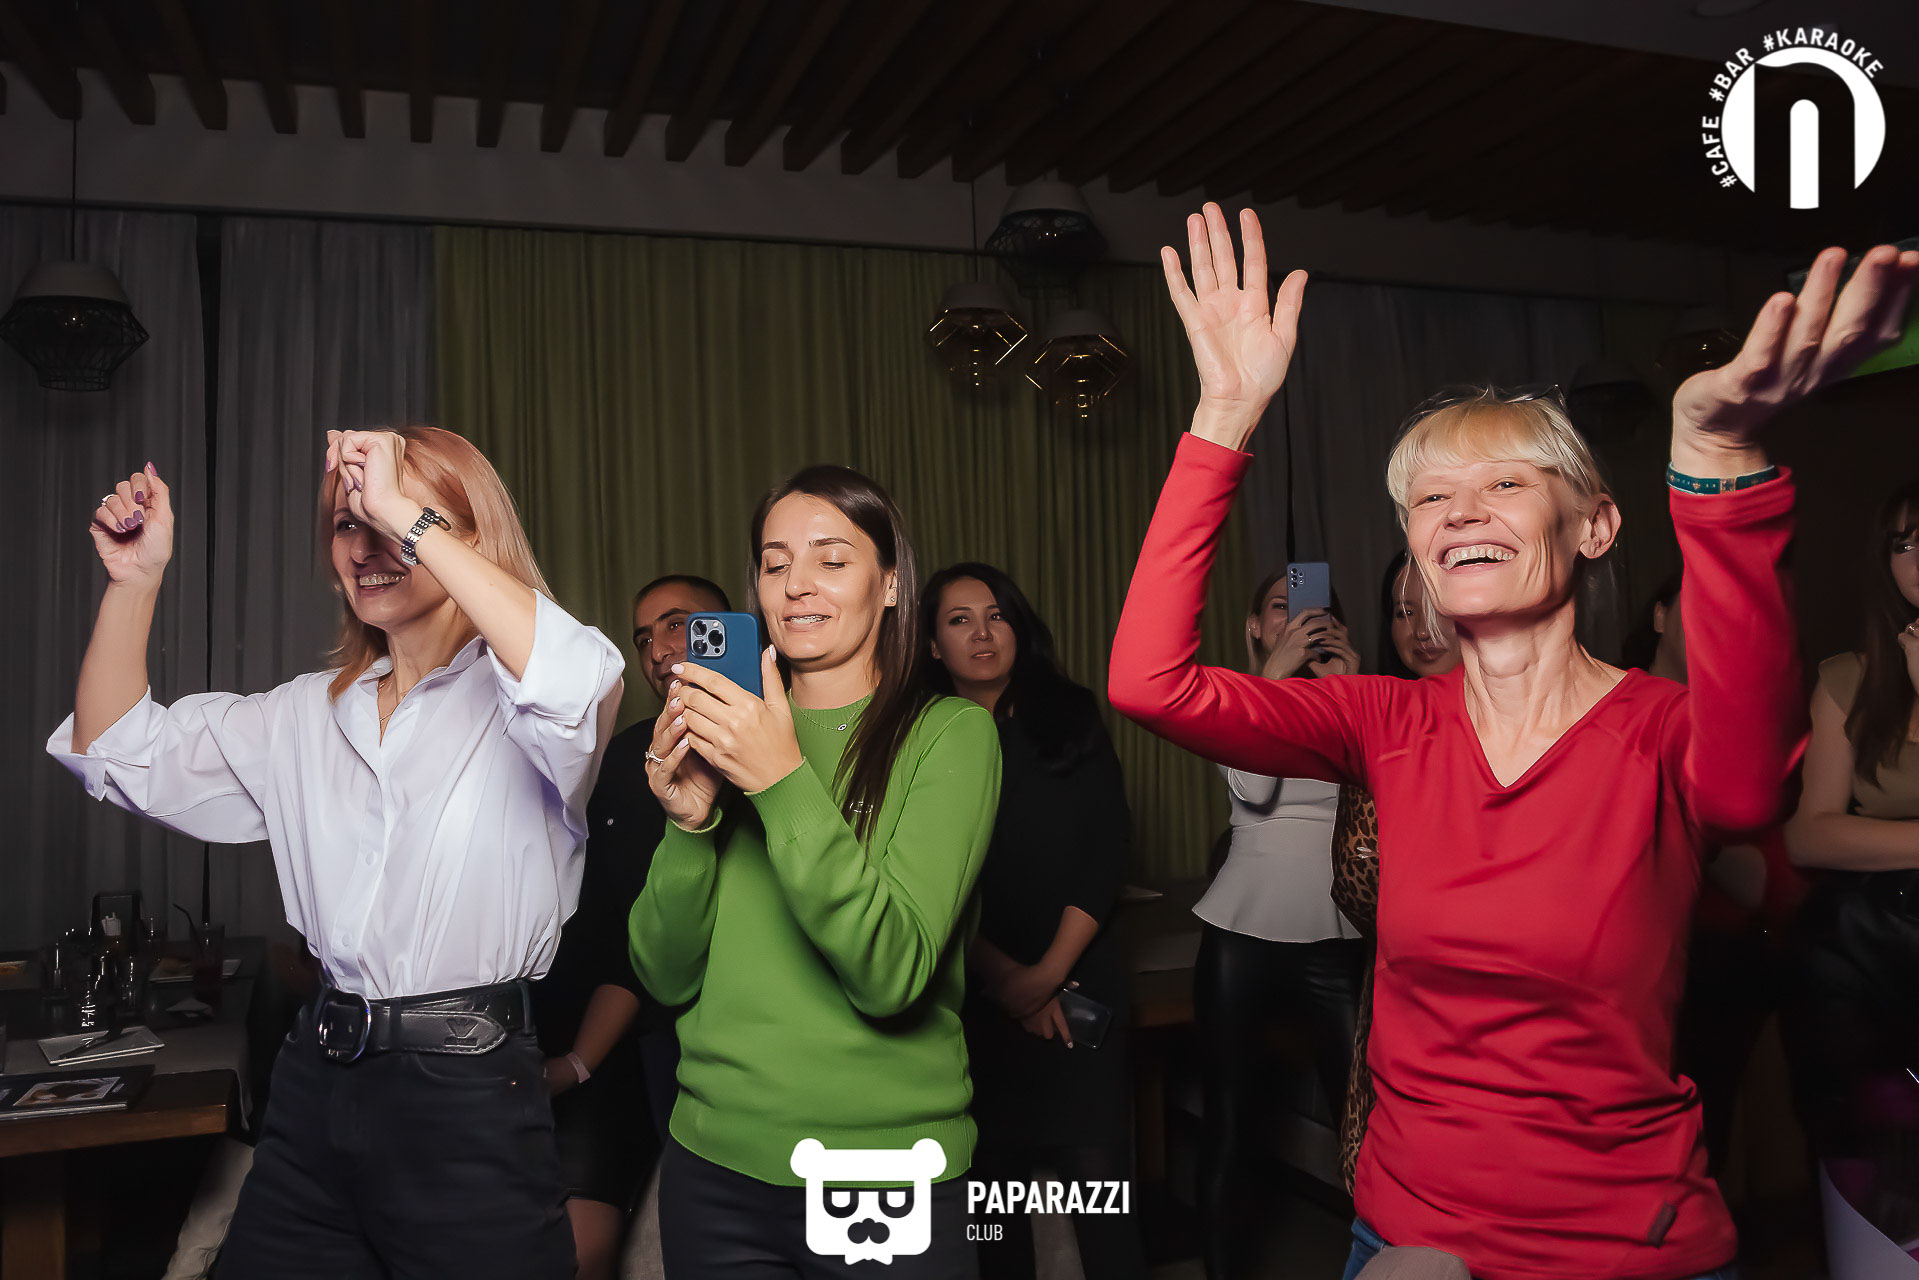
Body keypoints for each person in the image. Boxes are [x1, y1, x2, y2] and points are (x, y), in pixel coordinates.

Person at [1109, 202, 1915, 1280]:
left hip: (1626, 1249)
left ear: (1594, 526)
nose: (1458, 510)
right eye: (1429, 497)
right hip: (1407, 1240)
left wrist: (1718, 464)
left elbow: (1742, 794)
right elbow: (1149, 683)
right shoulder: (1384, 719)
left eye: (1503, 483)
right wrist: (1223, 415)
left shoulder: (1656, 729)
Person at [49, 427, 626, 1278]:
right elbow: (114, 750)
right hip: (317, 1079)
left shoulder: (531, 708)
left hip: (465, 1092)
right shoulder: (303, 713)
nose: (366, 545)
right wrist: (135, 583)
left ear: (470, 538)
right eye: (347, 524)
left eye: (394, 520)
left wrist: (397, 509)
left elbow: (582, 678)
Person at [629, 465, 1001, 1279]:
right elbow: (662, 975)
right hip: (712, 1161)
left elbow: (891, 976)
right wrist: (688, 828)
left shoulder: (951, 735)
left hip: (883, 1171)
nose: (796, 583)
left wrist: (779, 781)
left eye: (831, 559)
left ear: (890, 584)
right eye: (774, 563)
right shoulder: (722, 732)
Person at [919, 562, 1146, 1280]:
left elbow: (1105, 847)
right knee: (993, 1220)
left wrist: (1045, 976)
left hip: (1079, 985)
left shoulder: (1070, 714)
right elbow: (924, 881)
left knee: (1104, 1207)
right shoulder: (918, 737)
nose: (982, 634)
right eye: (959, 620)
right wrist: (1007, 981)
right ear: (931, 645)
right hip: (974, 999)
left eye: (997, 615)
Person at [533, 572, 732, 1280]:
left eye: (677, 625)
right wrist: (581, 1059)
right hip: (658, 1035)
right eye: (645, 637)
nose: (657, 649)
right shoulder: (624, 759)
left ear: (733, 631)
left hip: (765, 1028)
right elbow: (611, 921)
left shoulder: (782, 740)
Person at [1193, 567, 1364, 1279]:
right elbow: (1253, 789)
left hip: (1335, 932)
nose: (1295, 618)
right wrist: (1272, 679)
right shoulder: (1232, 697)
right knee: (1230, 1126)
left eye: (1312, 608)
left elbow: (1381, 806)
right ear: (1254, 628)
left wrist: (1351, 690)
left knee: (1364, 1127)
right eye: (1277, 607)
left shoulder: (1360, 700)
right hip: (1241, 933)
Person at [1624, 574, 1804, 1174]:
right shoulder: (1599, 707)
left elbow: (1769, 885)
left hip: (1717, 959)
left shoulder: (1738, 729)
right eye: (1695, 606)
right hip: (1614, 956)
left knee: (1700, 1137)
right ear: (1659, 615)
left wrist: (1689, 820)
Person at [1783, 479, 1919, 1165]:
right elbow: (1810, 833)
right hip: (1876, 945)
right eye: (1904, 544)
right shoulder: (1849, 679)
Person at [1333, 551, 1462, 1189]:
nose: (1420, 629)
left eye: (1435, 608)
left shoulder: (1537, 722)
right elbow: (1356, 883)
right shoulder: (1382, 723)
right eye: (1403, 612)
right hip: (1405, 991)